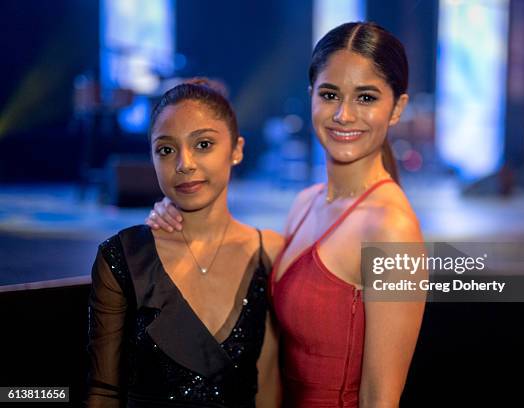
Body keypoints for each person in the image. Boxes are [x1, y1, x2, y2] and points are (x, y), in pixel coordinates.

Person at [148, 22, 425, 407]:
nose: (344, 114)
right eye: (330, 94)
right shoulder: (306, 202)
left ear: (396, 108)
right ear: (311, 96)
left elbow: (380, 398)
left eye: (366, 98)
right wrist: (177, 214)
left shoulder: (390, 229)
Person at [87, 79, 283, 407]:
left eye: (203, 144)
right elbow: (104, 391)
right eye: (166, 149)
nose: (184, 164)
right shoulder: (123, 257)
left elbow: (268, 385)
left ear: (236, 149)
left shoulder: (271, 253)